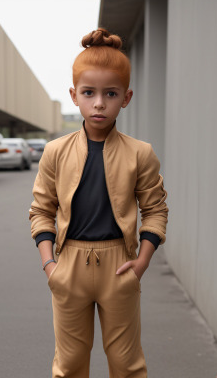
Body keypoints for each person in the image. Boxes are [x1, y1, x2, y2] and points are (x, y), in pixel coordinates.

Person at [29, 28, 169, 378]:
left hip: (120, 265)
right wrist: (51, 266)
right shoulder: (55, 152)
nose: (99, 103)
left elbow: (155, 210)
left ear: (126, 97)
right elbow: (41, 210)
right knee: (70, 364)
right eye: (89, 93)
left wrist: (141, 263)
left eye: (110, 93)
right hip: (69, 264)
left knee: (127, 365)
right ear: (74, 96)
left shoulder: (140, 154)